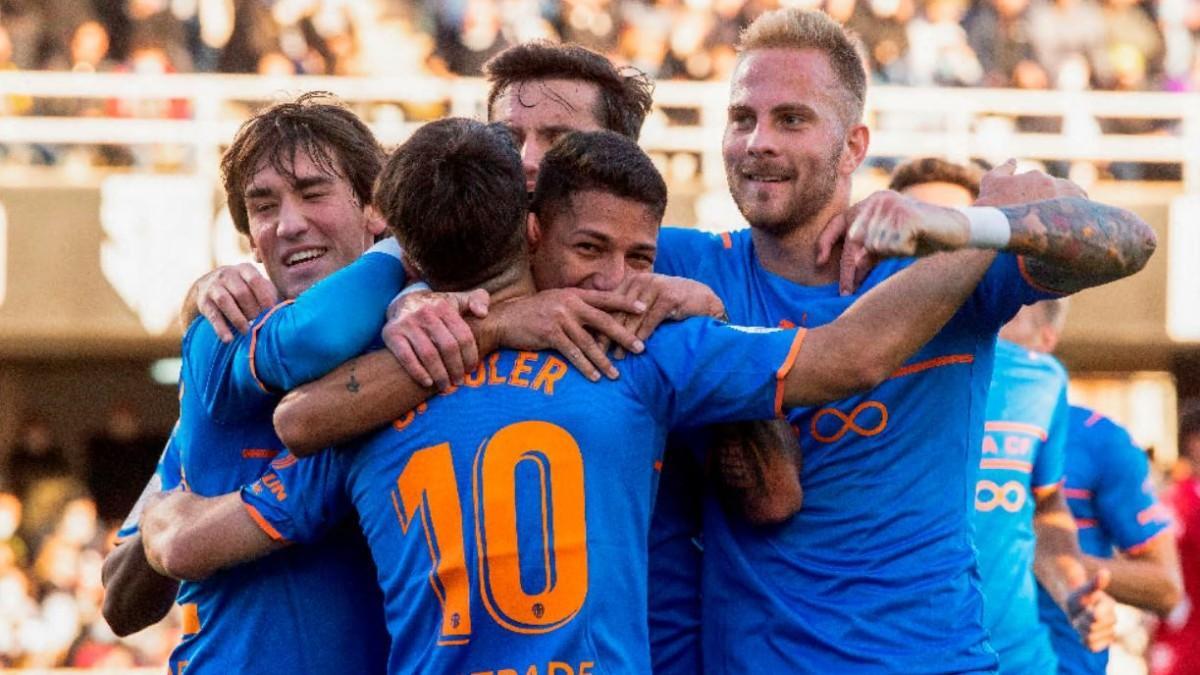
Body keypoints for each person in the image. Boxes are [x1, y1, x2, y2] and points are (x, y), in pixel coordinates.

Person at [138, 120, 1007, 675]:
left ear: (396, 242)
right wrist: (978, 234)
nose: (619, 274)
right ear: (531, 228)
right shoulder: (637, 346)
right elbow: (853, 357)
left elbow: (207, 520)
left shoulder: (371, 397)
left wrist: (167, 517)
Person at [642, 9, 1155, 671]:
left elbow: (1129, 241)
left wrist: (970, 225)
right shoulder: (685, 263)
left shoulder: (946, 265)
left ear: (854, 147)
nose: (758, 142)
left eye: (791, 119)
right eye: (743, 118)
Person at [101, 92, 407, 673]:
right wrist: (168, 529)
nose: (289, 224)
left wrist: (198, 530)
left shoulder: (422, 330)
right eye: (264, 207)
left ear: (374, 209)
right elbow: (121, 600)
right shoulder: (223, 338)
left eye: (313, 193)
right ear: (249, 238)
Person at [895, 162, 1120, 669]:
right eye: (918, 227)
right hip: (891, 657)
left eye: (955, 228)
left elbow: (1045, 509)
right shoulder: (842, 364)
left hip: (1017, 660)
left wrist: (1074, 589)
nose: (937, 247)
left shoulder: (1040, 379)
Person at [1048, 402, 1178, 674]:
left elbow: (1168, 588)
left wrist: (1063, 567)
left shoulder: (1097, 437)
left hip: (1066, 662)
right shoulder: (953, 421)